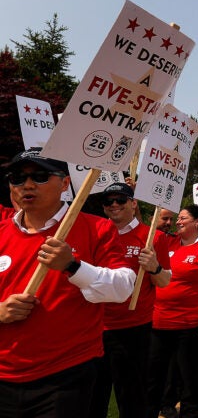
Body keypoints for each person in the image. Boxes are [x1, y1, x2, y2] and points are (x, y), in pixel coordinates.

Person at [0, 148, 135, 417]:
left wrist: (73, 266)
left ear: (64, 183)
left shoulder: (97, 228)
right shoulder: (2, 232)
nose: (27, 185)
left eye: (40, 176)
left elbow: (123, 288)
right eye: (17, 177)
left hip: (65, 375)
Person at [89, 183, 172, 418]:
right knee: (93, 399)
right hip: (95, 329)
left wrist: (154, 267)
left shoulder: (153, 237)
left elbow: (165, 281)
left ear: (133, 203)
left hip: (134, 329)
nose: (114, 205)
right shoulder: (96, 233)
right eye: (108, 201)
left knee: (133, 399)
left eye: (121, 200)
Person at [145, 204, 198, 418]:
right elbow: (146, 234)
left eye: (182, 218)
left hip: (190, 324)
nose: (177, 222)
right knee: (154, 377)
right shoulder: (167, 243)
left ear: (197, 221)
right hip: (159, 323)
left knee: (191, 378)